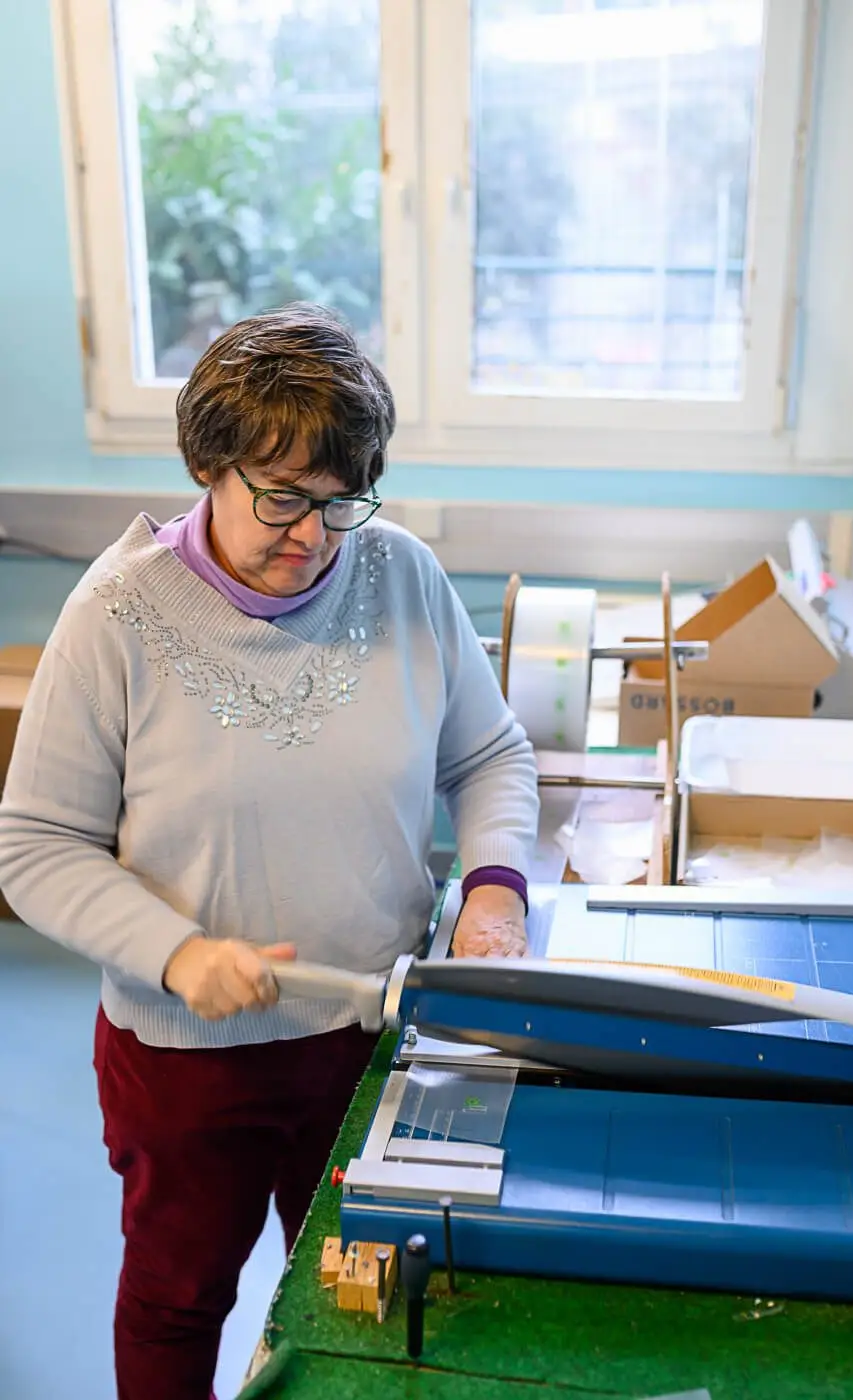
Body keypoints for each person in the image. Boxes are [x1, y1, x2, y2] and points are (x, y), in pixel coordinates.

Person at [0, 304, 538, 1400]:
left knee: (359, 1292)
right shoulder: (114, 617)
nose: (312, 535)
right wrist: (177, 951)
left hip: (373, 1033)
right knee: (179, 1295)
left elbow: (490, 753)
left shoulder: (401, 575)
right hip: (189, 1059)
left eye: (340, 502)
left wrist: (494, 888)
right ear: (208, 464)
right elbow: (36, 844)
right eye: (282, 496)